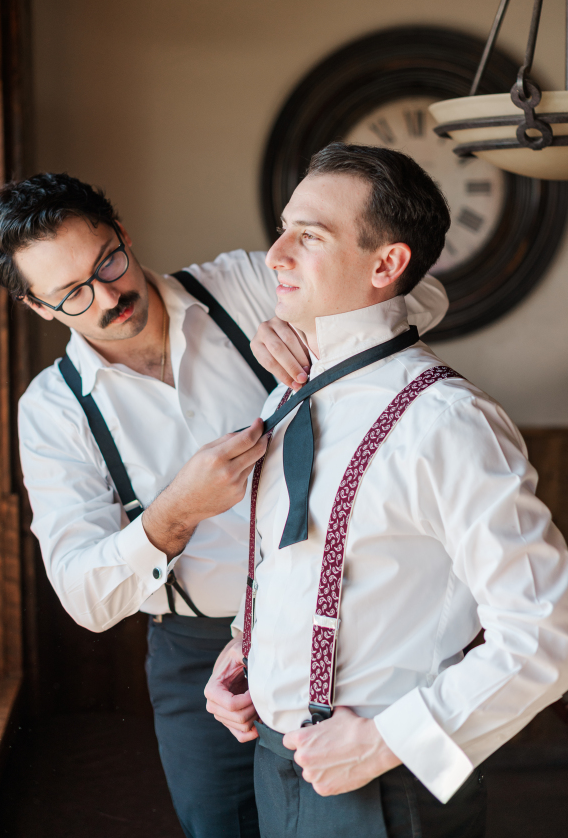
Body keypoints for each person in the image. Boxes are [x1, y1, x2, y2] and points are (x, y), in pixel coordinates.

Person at [0, 171, 448, 838]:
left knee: (351, 823)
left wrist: (323, 332)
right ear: (38, 308)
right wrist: (175, 512)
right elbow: (85, 596)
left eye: (108, 261)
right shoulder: (53, 412)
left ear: (125, 235)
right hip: (198, 655)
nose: (111, 295)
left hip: (340, 625)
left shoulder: (243, 284)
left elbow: (422, 292)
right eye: (73, 293)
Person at [205, 143, 568, 838]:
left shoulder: (447, 423)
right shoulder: (290, 389)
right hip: (275, 764)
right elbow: (310, 567)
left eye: (308, 236)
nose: (274, 254)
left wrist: (387, 741)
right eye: (283, 228)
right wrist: (247, 648)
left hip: (386, 784)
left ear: (385, 265)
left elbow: (545, 632)